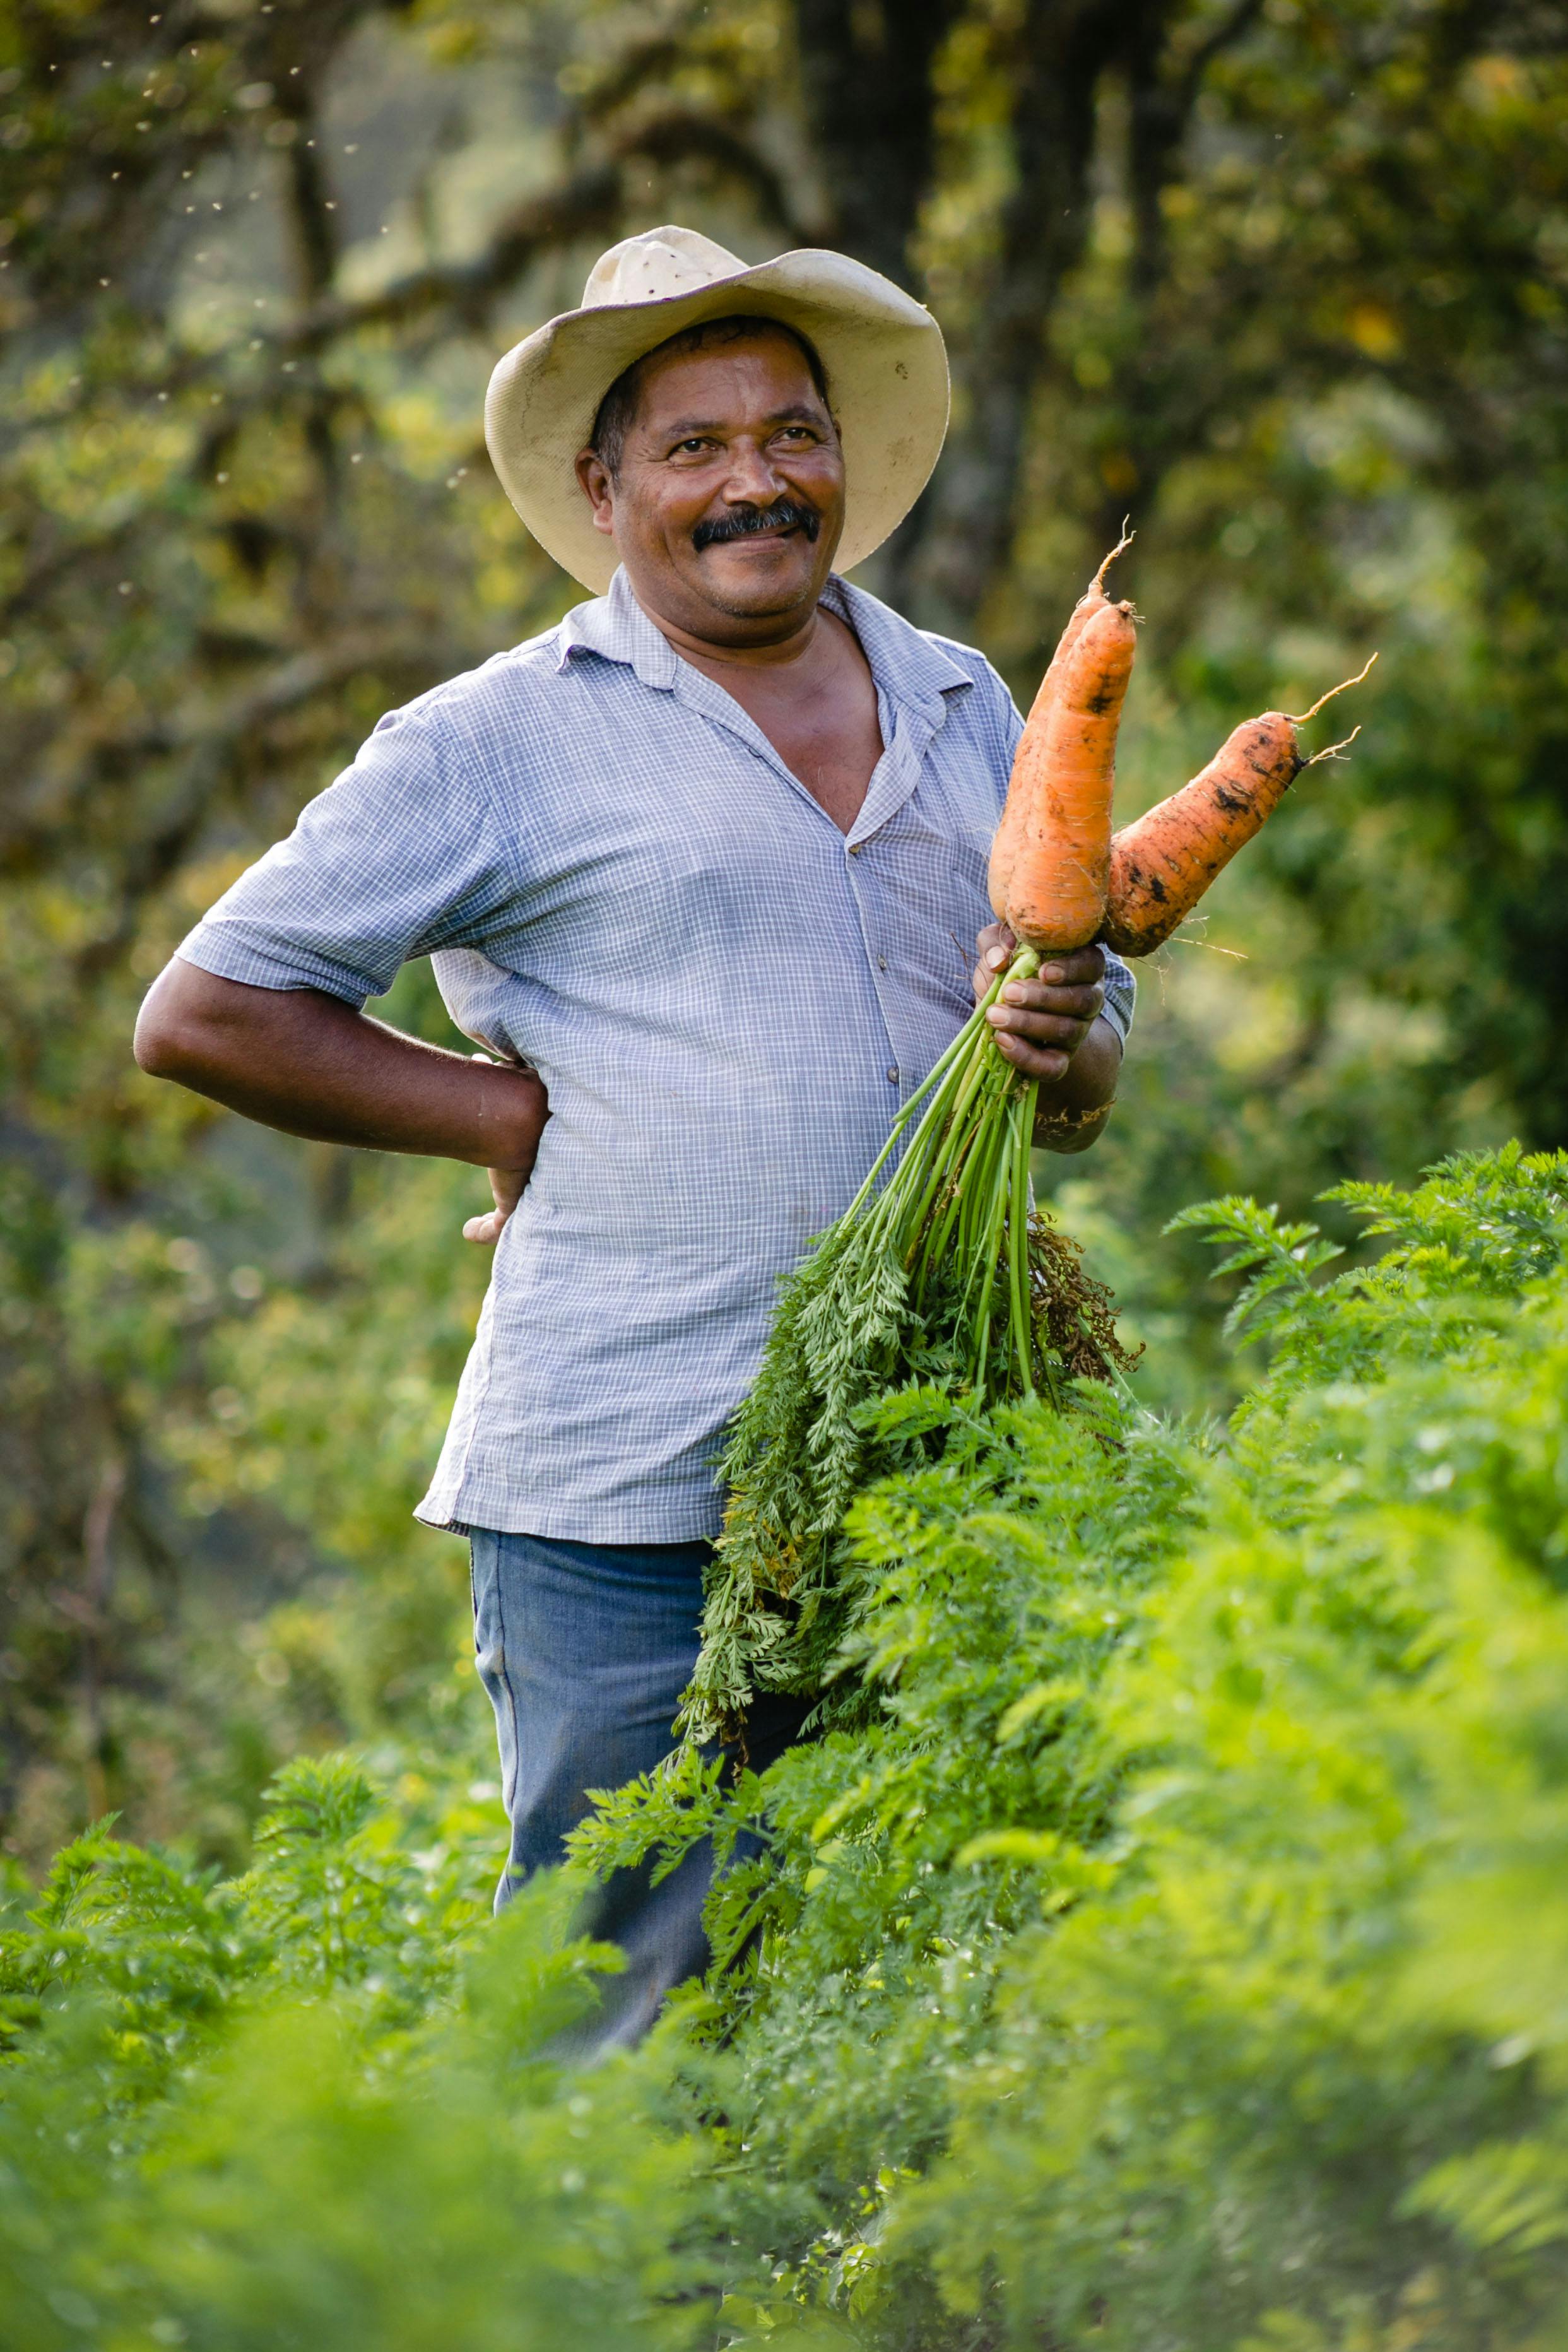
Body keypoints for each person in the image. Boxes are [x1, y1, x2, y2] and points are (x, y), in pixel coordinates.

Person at [134, 225, 1134, 2044]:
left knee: (918, 1993)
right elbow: (207, 1010)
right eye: (694, 446)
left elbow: (1084, 1090)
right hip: (624, 1483)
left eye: (792, 433)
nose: (756, 480)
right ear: (605, 491)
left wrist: (1062, 1046)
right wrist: (502, 1108)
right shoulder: (496, 740)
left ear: (844, 456)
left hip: (934, 1464)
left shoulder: (978, 701)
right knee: (616, 1996)